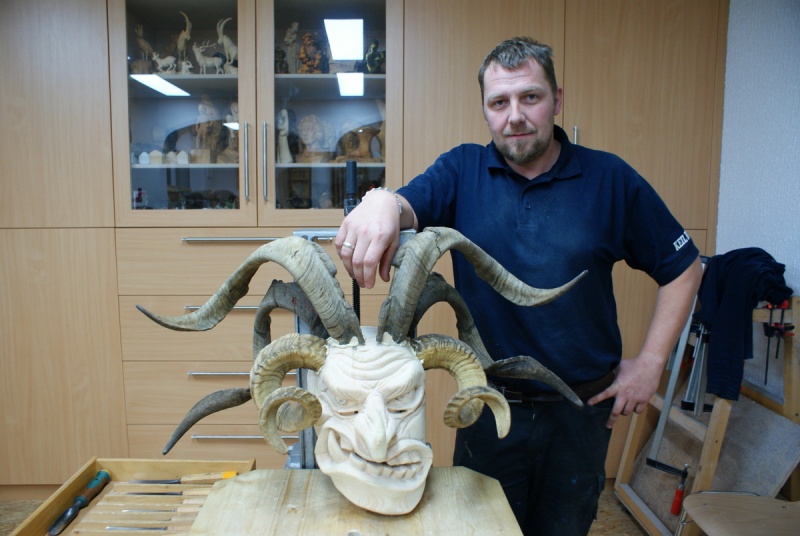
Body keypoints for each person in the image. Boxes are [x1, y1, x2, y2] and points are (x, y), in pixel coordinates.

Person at [335, 36, 702, 536]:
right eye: (499, 102)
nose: (515, 117)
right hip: (489, 407)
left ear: (557, 99)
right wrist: (380, 201)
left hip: (580, 414)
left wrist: (652, 364)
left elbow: (685, 268)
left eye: (530, 97)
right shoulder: (462, 170)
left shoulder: (610, 179)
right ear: (485, 110)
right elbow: (406, 205)